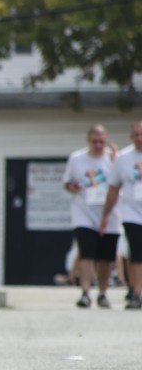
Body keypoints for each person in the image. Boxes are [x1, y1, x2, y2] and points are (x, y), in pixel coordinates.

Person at [63, 124, 120, 308]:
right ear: (88, 141)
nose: (98, 145)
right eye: (94, 142)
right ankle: (85, 292)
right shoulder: (77, 159)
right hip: (84, 213)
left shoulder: (113, 159)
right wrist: (72, 187)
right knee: (86, 253)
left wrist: (116, 160)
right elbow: (66, 182)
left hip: (110, 214)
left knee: (105, 257)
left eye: (101, 142)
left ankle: (102, 293)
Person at [100, 121, 142, 309]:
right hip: (132, 214)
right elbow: (113, 189)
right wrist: (105, 215)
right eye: (136, 134)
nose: (139, 138)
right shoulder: (123, 158)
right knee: (137, 254)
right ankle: (137, 293)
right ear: (131, 136)